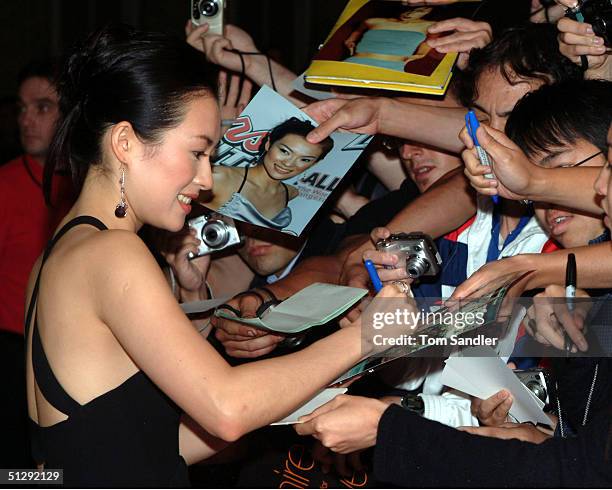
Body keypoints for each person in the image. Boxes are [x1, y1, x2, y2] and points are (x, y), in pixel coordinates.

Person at [24, 24, 405, 487]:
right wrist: (367, 335)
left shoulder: (61, 254)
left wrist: (319, 381)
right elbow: (226, 410)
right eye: (198, 152)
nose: (206, 179)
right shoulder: (112, 253)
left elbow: (145, 444)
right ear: (125, 143)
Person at [0, 59, 74, 467]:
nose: (27, 119)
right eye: (22, 108)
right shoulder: (6, 183)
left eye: (42, 107)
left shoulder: (90, 182)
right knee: (16, 469)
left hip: (69, 351)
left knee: (57, 466)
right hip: (11, 353)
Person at [204, 117, 334, 231]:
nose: (288, 163)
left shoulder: (291, 193)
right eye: (284, 151)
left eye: (305, 160)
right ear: (268, 144)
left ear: (314, 164)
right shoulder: (219, 177)